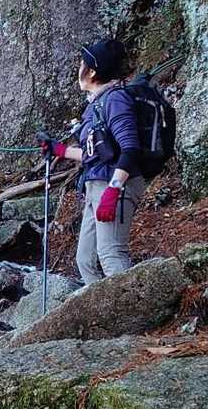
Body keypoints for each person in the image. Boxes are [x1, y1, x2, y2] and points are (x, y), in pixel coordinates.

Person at [38, 38, 146, 287]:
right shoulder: (97, 103)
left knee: (111, 253)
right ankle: (106, 309)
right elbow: (96, 153)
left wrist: (113, 190)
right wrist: (60, 150)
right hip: (97, 184)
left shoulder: (115, 100)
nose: (79, 68)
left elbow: (130, 148)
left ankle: (133, 307)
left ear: (93, 71)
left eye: (82, 63)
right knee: (85, 260)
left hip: (115, 185)